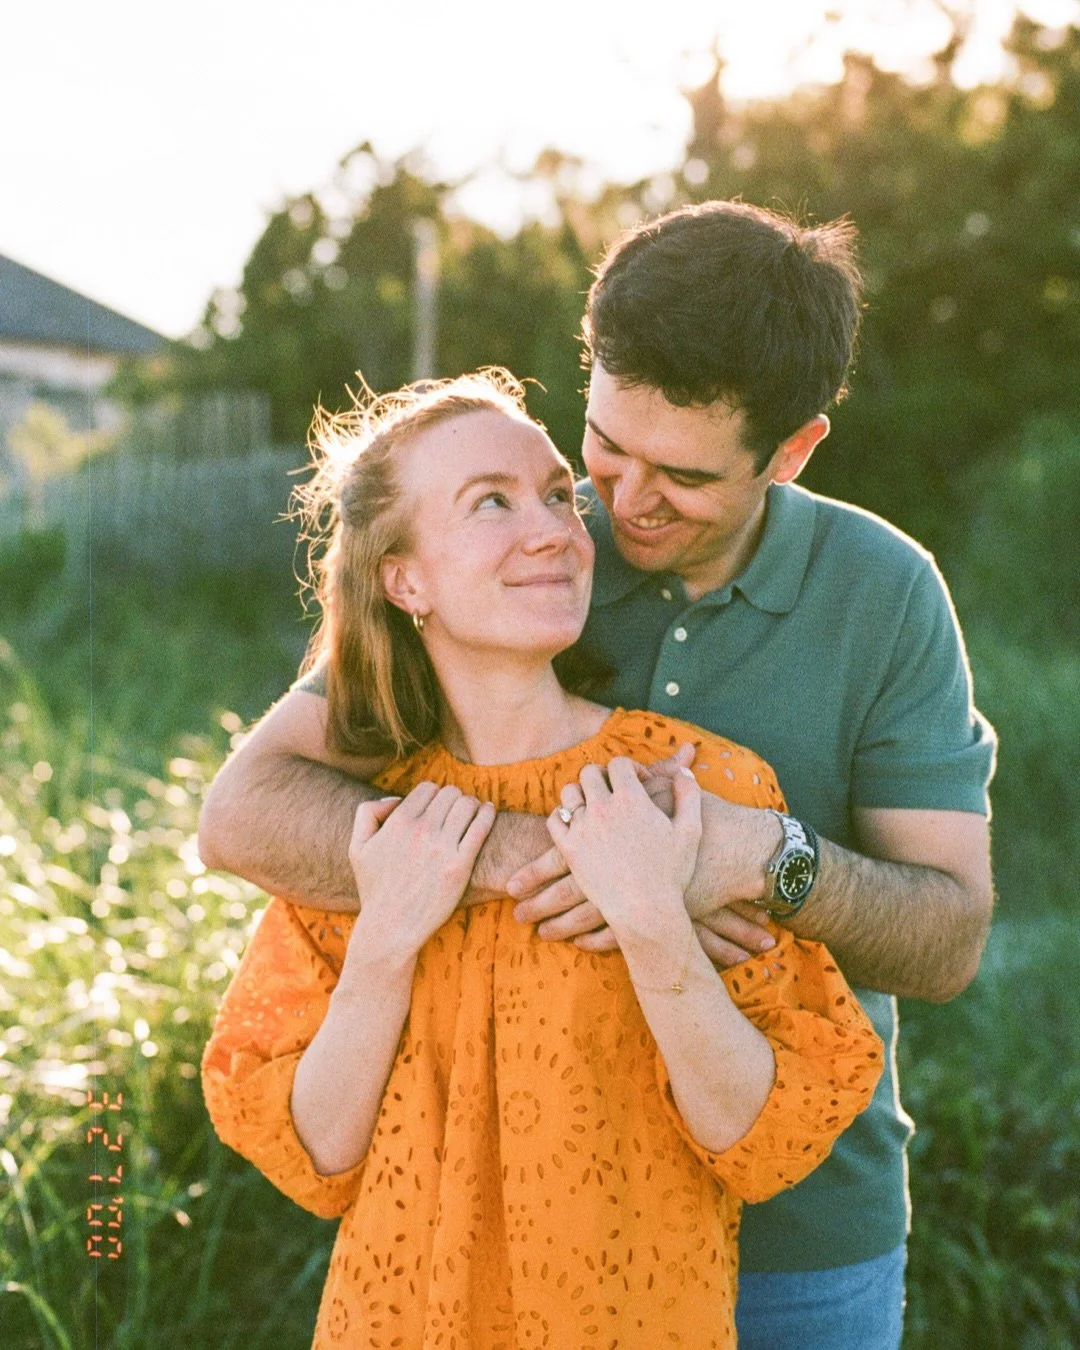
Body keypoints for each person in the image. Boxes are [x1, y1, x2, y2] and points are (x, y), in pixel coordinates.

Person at [198, 201, 997, 1350]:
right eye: (605, 448)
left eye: (679, 475)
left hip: (800, 1238)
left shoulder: (885, 595)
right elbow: (244, 813)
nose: (617, 506)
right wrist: (547, 855)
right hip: (478, 1254)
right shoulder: (523, 554)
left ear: (792, 449)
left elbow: (951, 936)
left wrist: (759, 864)